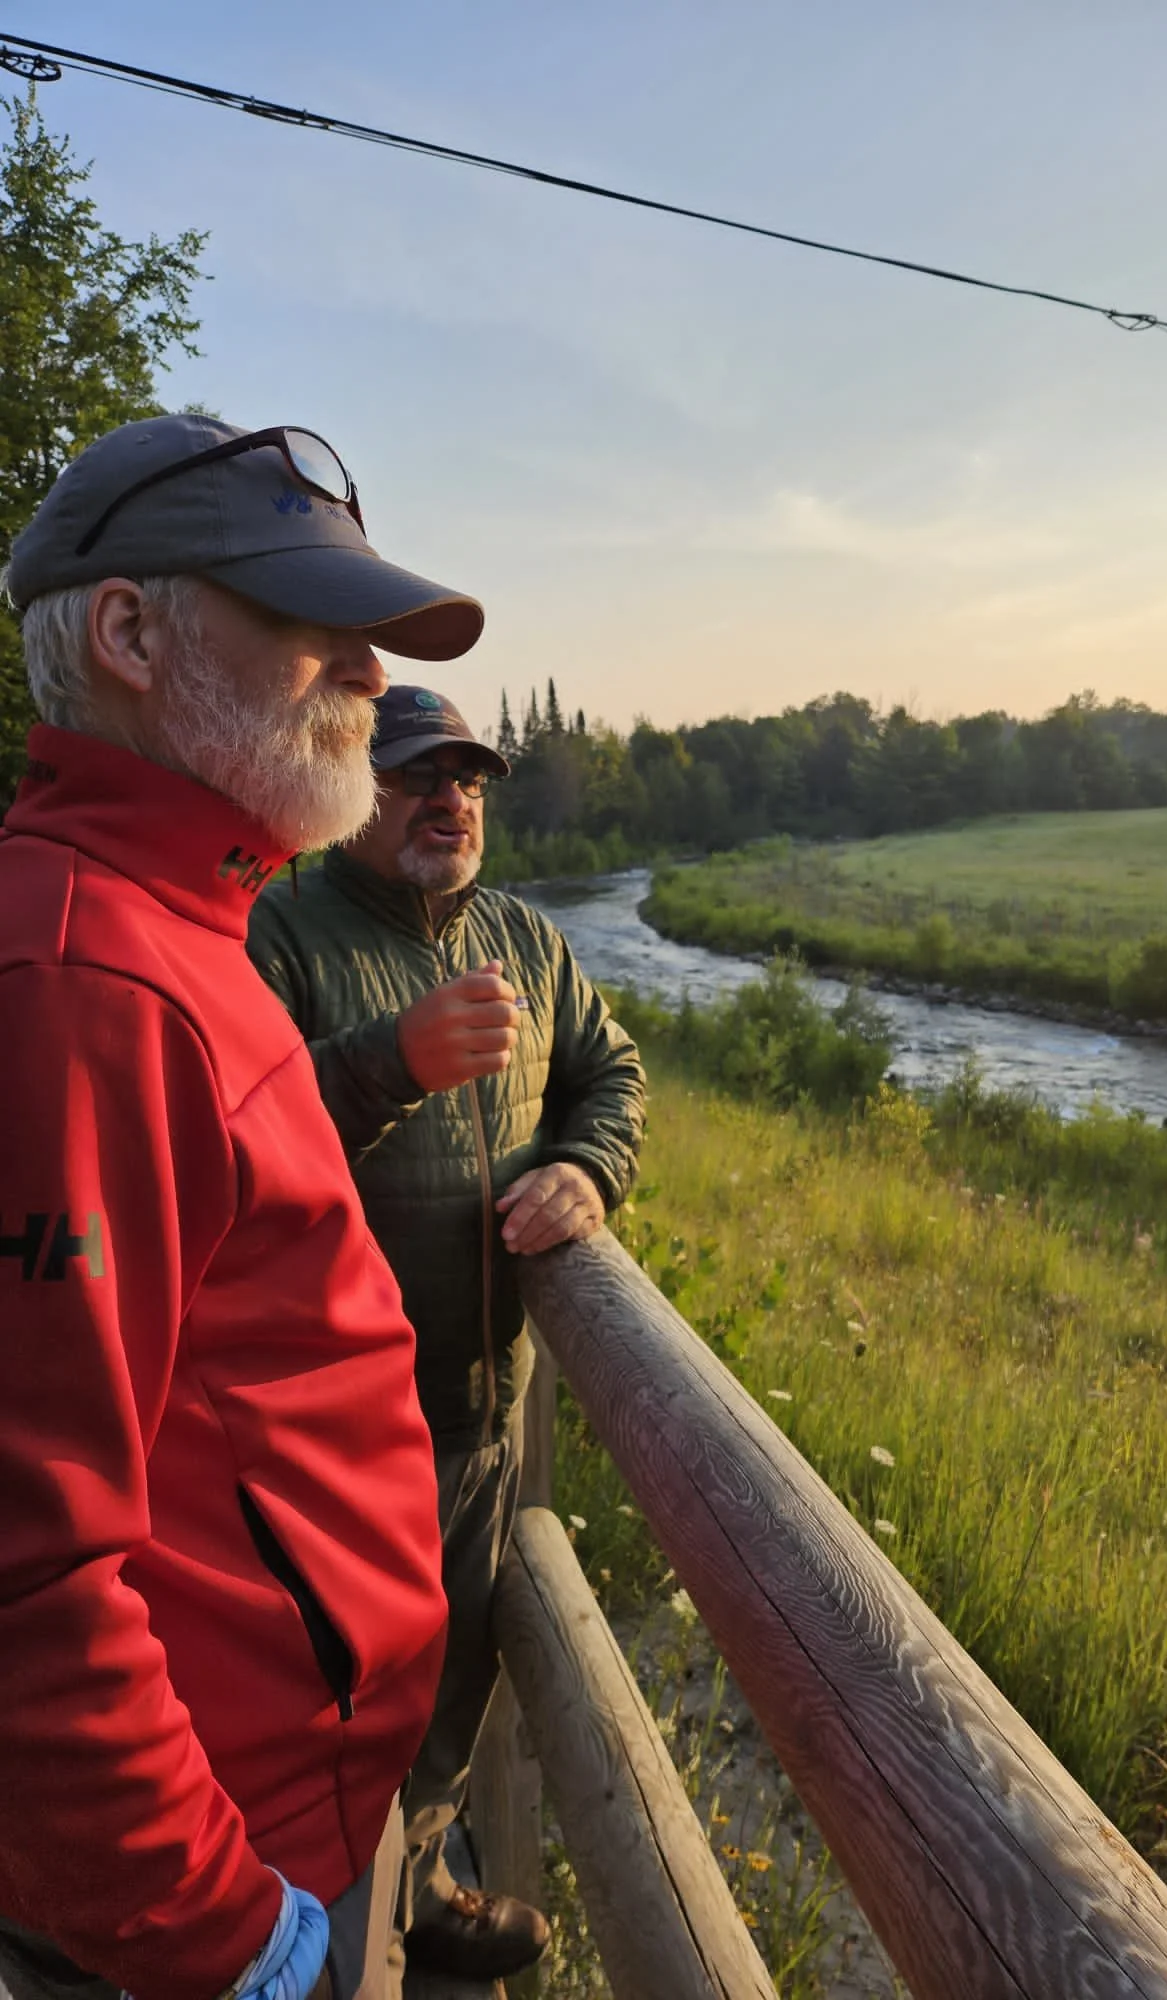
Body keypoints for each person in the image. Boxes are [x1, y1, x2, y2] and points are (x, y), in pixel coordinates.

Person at [0, 414, 486, 2000]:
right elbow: (25, 1575)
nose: (367, 670)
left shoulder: (184, 922)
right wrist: (229, 1944)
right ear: (132, 632)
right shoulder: (86, 981)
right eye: (308, 619)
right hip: (214, 1889)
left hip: (289, 1816)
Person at [247, 684, 647, 1984]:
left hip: (477, 1418)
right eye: (418, 773)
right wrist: (389, 1060)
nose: (450, 797)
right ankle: (301, 1950)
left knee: (445, 1693)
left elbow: (612, 1074)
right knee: (318, 1723)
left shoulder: (528, 943)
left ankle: (418, 1892)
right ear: (350, 785)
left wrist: (588, 1170)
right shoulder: (280, 935)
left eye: (469, 775)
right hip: (317, 1444)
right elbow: (220, 1142)